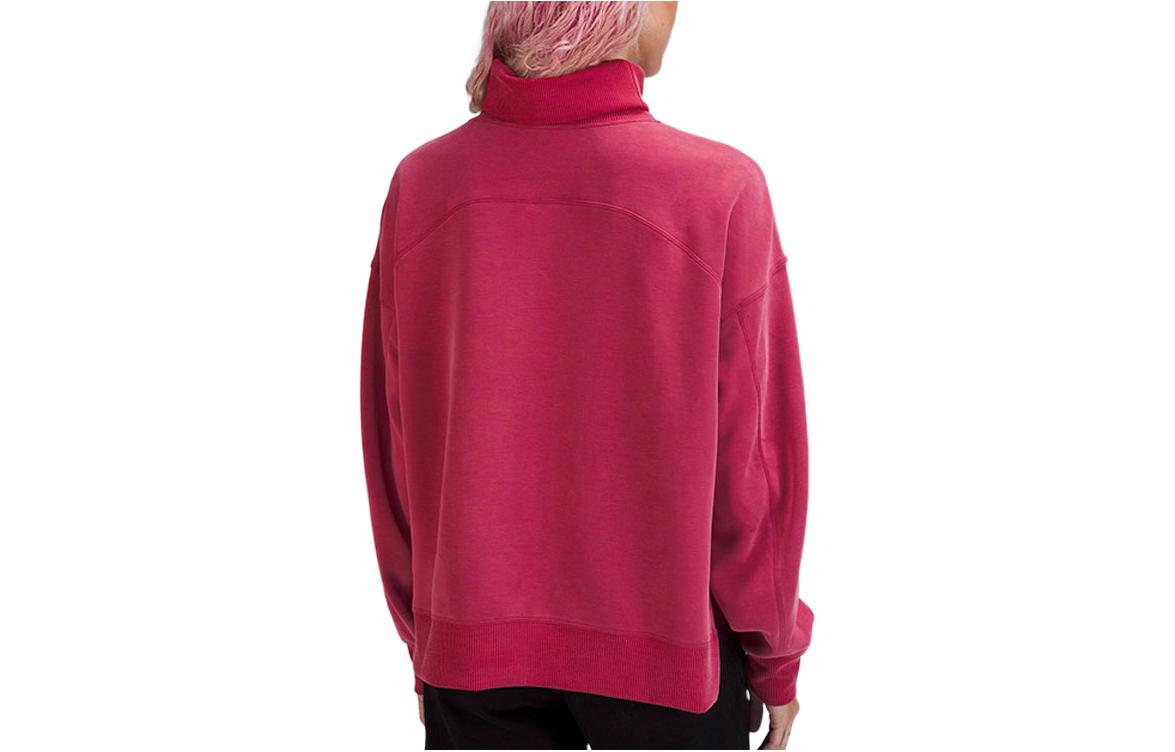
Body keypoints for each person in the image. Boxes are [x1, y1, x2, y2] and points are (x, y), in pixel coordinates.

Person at [360, 2, 813, 748]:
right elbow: (754, 464)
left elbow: (394, 440)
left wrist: (427, 642)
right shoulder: (717, 188)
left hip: (472, 657)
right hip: (667, 663)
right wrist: (775, 657)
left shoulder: (426, 183)